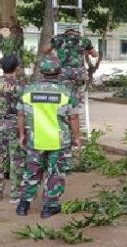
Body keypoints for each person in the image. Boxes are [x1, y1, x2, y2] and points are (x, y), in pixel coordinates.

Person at [15, 56, 81, 219]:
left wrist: (22, 134)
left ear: (42, 72)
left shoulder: (28, 91)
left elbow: (21, 114)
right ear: (59, 72)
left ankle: (23, 205)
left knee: (31, 172)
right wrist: (77, 137)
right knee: (55, 172)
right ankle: (49, 207)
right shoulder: (66, 92)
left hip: (35, 139)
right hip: (58, 141)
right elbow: (73, 117)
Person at [0, 54, 25, 203]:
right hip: (15, 124)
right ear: (16, 67)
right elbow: (24, 109)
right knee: (17, 160)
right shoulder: (20, 85)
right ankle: (15, 195)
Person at [43, 27, 98, 106]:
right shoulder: (84, 40)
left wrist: (54, 50)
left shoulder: (57, 39)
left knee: (62, 91)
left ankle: (63, 106)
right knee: (77, 90)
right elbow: (95, 54)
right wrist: (86, 50)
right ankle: (75, 105)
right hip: (79, 73)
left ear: (66, 32)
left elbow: (45, 50)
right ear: (76, 32)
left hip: (63, 72)